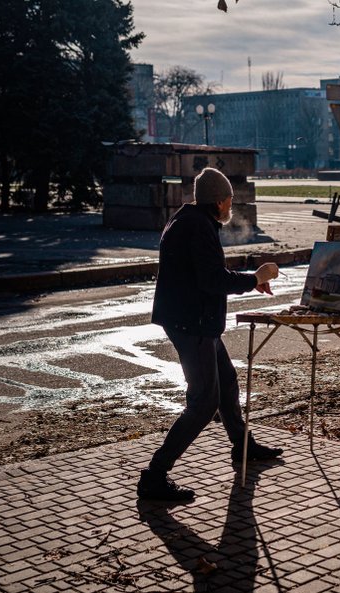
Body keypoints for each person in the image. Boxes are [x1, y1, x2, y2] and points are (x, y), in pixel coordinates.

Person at [137, 167, 282, 502]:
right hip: (193, 325)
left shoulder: (188, 219)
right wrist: (254, 276)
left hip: (194, 321)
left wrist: (250, 281)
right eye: (230, 200)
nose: (231, 206)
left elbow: (207, 274)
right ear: (219, 201)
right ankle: (154, 476)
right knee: (204, 403)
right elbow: (212, 280)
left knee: (227, 383)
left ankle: (242, 446)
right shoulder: (198, 227)